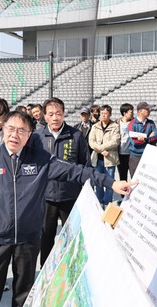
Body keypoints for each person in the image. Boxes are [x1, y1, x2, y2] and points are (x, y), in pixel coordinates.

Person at [0, 111, 136, 307]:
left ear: (30, 135)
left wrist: (111, 183)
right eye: (11, 128)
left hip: (29, 239)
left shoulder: (42, 160)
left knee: (25, 294)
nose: (15, 135)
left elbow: (76, 171)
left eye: (21, 130)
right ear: (3, 129)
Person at [33, 98, 91, 267]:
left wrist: (86, 194)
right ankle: (46, 272)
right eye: (50, 114)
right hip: (45, 198)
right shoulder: (37, 137)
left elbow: (85, 165)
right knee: (45, 238)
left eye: (58, 113)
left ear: (64, 113)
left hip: (70, 196)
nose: (55, 117)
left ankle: (71, 270)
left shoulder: (76, 135)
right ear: (44, 115)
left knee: (71, 238)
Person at [88, 105, 121, 206]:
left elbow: (115, 141)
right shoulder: (95, 126)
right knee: (98, 182)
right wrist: (101, 150)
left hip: (110, 159)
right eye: (101, 113)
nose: (103, 115)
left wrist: (100, 148)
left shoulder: (115, 126)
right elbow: (91, 141)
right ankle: (99, 201)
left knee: (110, 182)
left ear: (110, 114)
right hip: (97, 159)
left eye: (105, 113)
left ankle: (107, 202)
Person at [128, 101, 157, 178]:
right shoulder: (132, 124)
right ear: (141, 111)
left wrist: (145, 139)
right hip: (136, 156)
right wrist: (150, 139)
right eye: (147, 109)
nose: (150, 111)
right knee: (135, 179)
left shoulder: (150, 123)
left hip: (149, 155)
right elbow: (135, 142)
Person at [117, 103, 134, 182]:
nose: (133, 114)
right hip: (120, 154)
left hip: (131, 154)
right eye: (131, 112)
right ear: (125, 113)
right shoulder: (116, 123)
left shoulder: (134, 123)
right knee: (123, 177)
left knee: (134, 176)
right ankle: (123, 194)